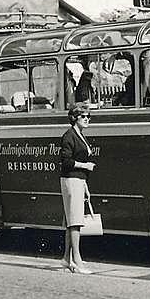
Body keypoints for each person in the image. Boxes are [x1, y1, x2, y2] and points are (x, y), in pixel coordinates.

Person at [59, 103, 95, 274]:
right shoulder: (69, 136)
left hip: (78, 181)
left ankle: (67, 258)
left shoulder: (79, 135)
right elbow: (66, 162)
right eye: (84, 116)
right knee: (75, 222)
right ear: (74, 118)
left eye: (89, 116)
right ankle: (77, 261)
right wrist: (85, 166)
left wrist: (85, 184)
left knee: (71, 222)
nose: (87, 119)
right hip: (71, 180)